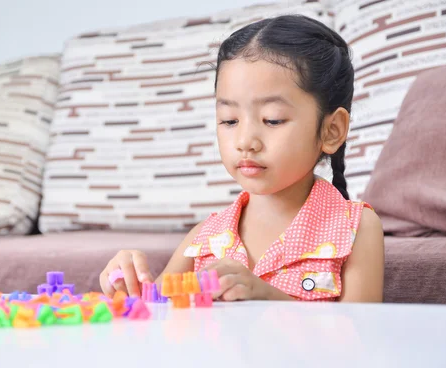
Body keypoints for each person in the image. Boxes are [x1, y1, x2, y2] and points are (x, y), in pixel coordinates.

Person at [99, 15, 384, 302]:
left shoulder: (356, 227)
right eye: (230, 120)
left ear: (331, 130)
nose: (245, 141)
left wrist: (267, 298)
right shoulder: (205, 237)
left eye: (272, 120)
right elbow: (152, 314)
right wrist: (128, 283)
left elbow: (358, 333)